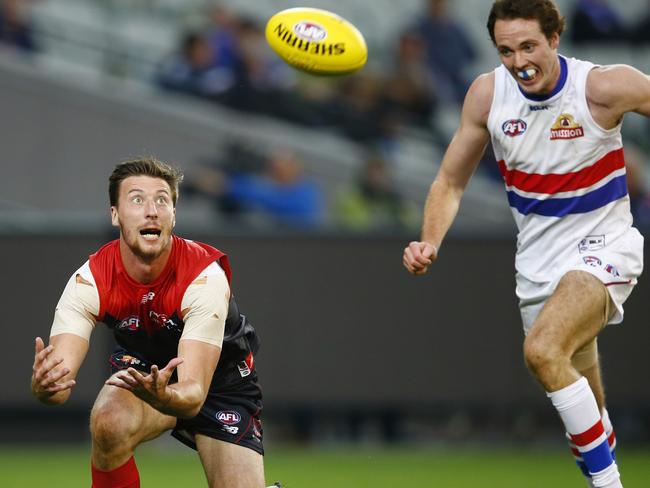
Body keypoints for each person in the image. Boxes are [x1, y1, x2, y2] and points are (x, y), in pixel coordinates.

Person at [403, 1, 649, 487]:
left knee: (540, 351)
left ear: (555, 39)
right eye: (507, 50)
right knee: (586, 415)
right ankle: (603, 454)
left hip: (605, 245)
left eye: (529, 46)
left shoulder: (601, 86)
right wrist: (429, 240)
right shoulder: (487, 96)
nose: (519, 61)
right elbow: (451, 182)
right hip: (538, 264)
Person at [30, 158, 274, 488]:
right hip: (145, 374)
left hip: (221, 385)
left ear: (173, 215)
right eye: (136, 199)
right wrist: (46, 386)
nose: (151, 210)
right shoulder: (89, 282)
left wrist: (167, 396)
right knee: (108, 421)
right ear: (115, 214)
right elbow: (58, 388)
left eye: (162, 200)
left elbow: (193, 394)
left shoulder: (203, 278)